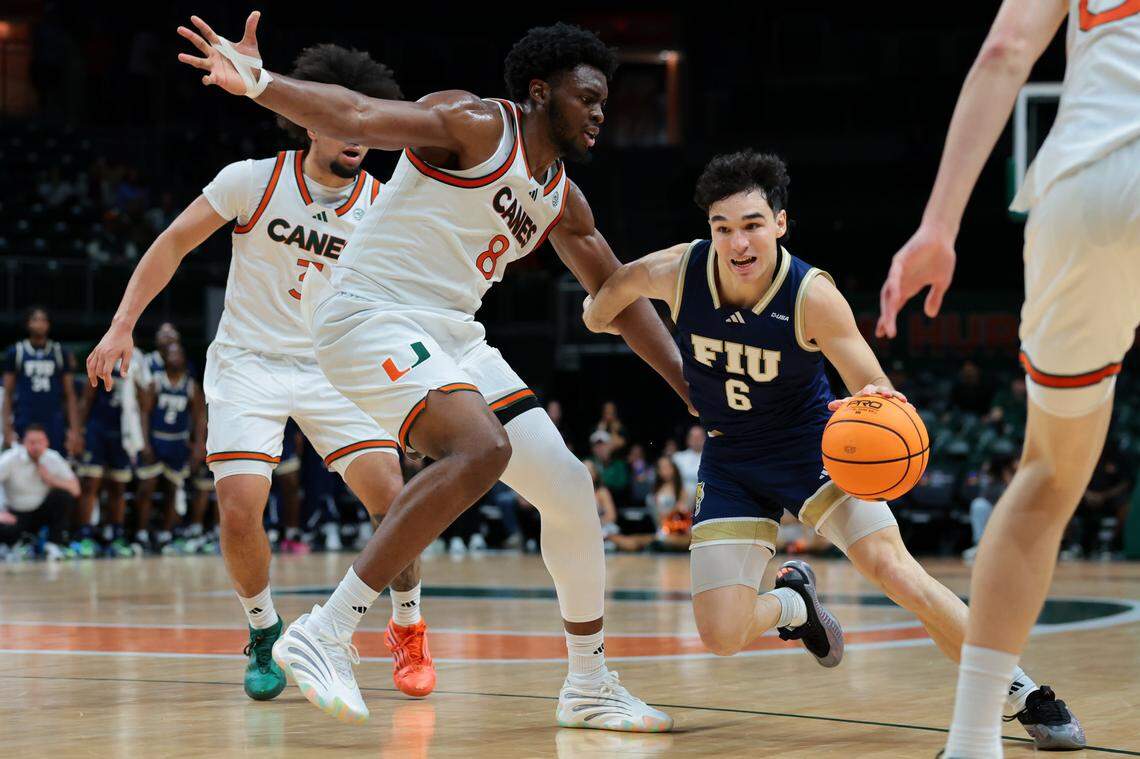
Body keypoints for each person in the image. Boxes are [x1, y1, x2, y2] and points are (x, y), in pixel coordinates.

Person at [177, 14, 685, 730]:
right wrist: (260, 83)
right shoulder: (473, 124)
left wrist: (698, 392)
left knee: (569, 489)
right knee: (483, 447)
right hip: (369, 313)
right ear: (540, 93)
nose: (601, 112)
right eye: (586, 98)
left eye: (604, 101)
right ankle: (326, 631)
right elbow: (356, 114)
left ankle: (590, 684)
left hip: (453, 335)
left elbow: (620, 297)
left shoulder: (562, 198)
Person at [582, 150, 1083, 748]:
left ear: (780, 223)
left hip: (809, 450)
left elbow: (877, 387)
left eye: (752, 225)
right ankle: (794, 605)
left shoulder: (812, 295)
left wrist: (866, 410)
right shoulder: (678, 271)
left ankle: (1023, 692)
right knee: (721, 635)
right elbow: (603, 307)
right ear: (709, 230)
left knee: (895, 570)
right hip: (731, 458)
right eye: (723, 229)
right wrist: (656, 356)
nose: (738, 243)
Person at [86, 44, 434, 703]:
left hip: (338, 365)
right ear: (307, 120)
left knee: (394, 499)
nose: (356, 135)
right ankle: (264, 631)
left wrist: (414, 382)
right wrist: (122, 323)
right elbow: (173, 244)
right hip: (250, 361)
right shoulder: (252, 180)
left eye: (364, 124)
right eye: (339, 120)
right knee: (240, 507)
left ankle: (408, 624)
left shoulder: (384, 206)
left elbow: (405, 300)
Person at [876, 0, 1139, 753]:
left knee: (1048, 477)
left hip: (1084, 184)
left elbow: (1004, 51)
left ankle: (971, 738)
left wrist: (938, 224)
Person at [77, 353, 150, 558]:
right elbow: (87, 397)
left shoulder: (138, 364)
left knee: (118, 485)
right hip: (97, 429)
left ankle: (116, 534)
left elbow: (145, 403)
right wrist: (78, 432)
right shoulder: (102, 356)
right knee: (91, 484)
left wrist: (137, 381)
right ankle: (86, 535)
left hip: (124, 432)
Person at [134, 342, 206, 553]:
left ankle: (166, 533)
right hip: (157, 440)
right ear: (165, 359)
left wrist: (198, 446)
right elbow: (145, 413)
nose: (174, 357)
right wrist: (145, 442)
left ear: (183, 359)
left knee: (172, 490)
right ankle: (141, 533)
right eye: (170, 354)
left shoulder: (191, 386)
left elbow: (199, 418)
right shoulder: (155, 383)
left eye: (178, 354)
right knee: (147, 488)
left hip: (178, 442)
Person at [2, 307, 81, 457]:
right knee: (24, 466)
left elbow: (70, 395)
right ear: (27, 324)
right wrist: (6, 429)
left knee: (56, 463)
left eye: (43, 320)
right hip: (24, 418)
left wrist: (75, 430)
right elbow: (8, 394)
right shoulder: (16, 352)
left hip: (53, 419)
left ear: (49, 324)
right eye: (35, 320)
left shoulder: (59, 352)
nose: (39, 324)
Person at [0, 424, 80, 557]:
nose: (36, 447)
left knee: (64, 496)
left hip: (41, 512)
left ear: (47, 442)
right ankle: (11, 545)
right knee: (5, 526)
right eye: (32, 442)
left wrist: (52, 480)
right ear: (24, 443)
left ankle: (53, 544)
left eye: (40, 442)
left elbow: (76, 490)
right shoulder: (11, 458)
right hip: (16, 514)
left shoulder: (53, 458)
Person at [672, 424, 704, 496]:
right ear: (688, 439)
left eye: (699, 437)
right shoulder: (677, 457)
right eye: (693, 437)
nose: (696, 439)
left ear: (705, 439)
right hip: (680, 498)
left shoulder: (711, 460)